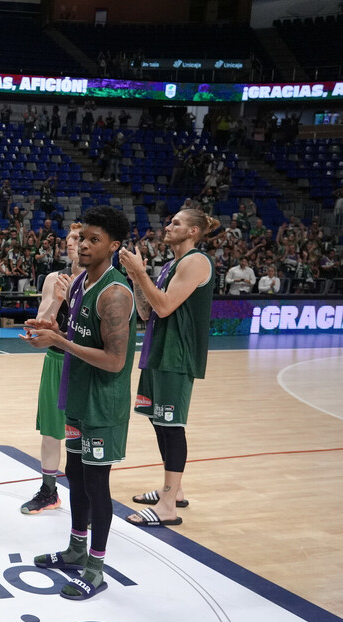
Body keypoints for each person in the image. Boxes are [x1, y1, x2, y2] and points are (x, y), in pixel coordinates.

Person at [22, 205, 136, 600]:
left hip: (103, 403)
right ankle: (75, 548)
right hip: (77, 393)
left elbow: (116, 360)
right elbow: (77, 332)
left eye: (94, 240)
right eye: (81, 238)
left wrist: (62, 343)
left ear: (114, 246)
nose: (84, 245)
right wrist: (48, 328)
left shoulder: (116, 294)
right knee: (76, 475)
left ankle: (97, 565)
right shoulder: (79, 283)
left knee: (97, 484)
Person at [119, 209, 216, 527]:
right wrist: (136, 277)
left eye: (176, 223)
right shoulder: (172, 265)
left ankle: (167, 507)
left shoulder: (196, 261)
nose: (168, 226)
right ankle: (173, 491)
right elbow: (148, 313)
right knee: (159, 423)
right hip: (158, 351)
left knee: (172, 427)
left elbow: (164, 305)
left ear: (193, 231)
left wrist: (140, 274)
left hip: (177, 355)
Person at [21, 224, 83, 514]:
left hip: (86, 362)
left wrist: (73, 297)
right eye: (70, 238)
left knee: (81, 433)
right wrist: (59, 299)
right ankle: (49, 491)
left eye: (79, 239)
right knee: (50, 430)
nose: (72, 243)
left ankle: (87, 497)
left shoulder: (103, 281)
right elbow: (39, 324)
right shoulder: (54, 279)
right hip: (57, 360)